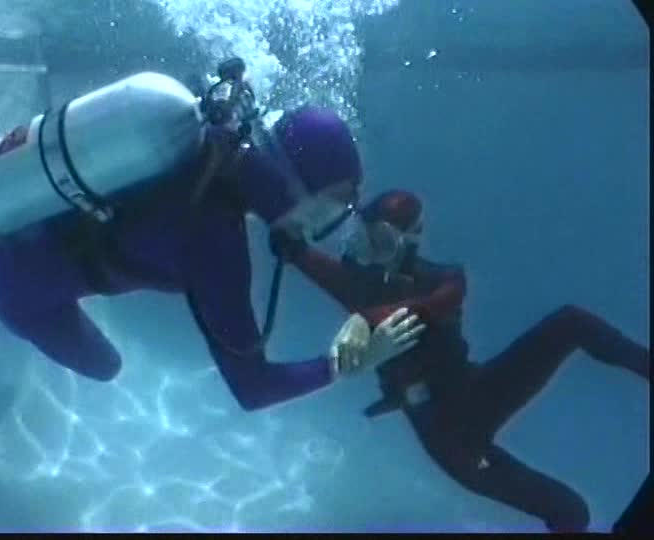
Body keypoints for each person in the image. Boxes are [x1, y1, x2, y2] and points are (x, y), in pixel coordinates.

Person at [0, 106, 423, 411]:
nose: (321, 225)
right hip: (16, 286)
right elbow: (253, 389)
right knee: (105, 366)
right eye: (326, 206)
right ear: (289, 180)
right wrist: (343, 366)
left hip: (21, 215)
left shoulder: (204, 135)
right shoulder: (216, 244)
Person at [272, 189, 650, 532]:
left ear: (405, 242)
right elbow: (296, 251)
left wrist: (365, 317)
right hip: (451, 438)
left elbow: (439, 304)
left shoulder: (440, 279)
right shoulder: (359, 283)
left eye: (379, 240)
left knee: (571, 322)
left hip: (474, 396)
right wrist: (289, 228)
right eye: (364, 235)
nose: (367, 249)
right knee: (571, 512)